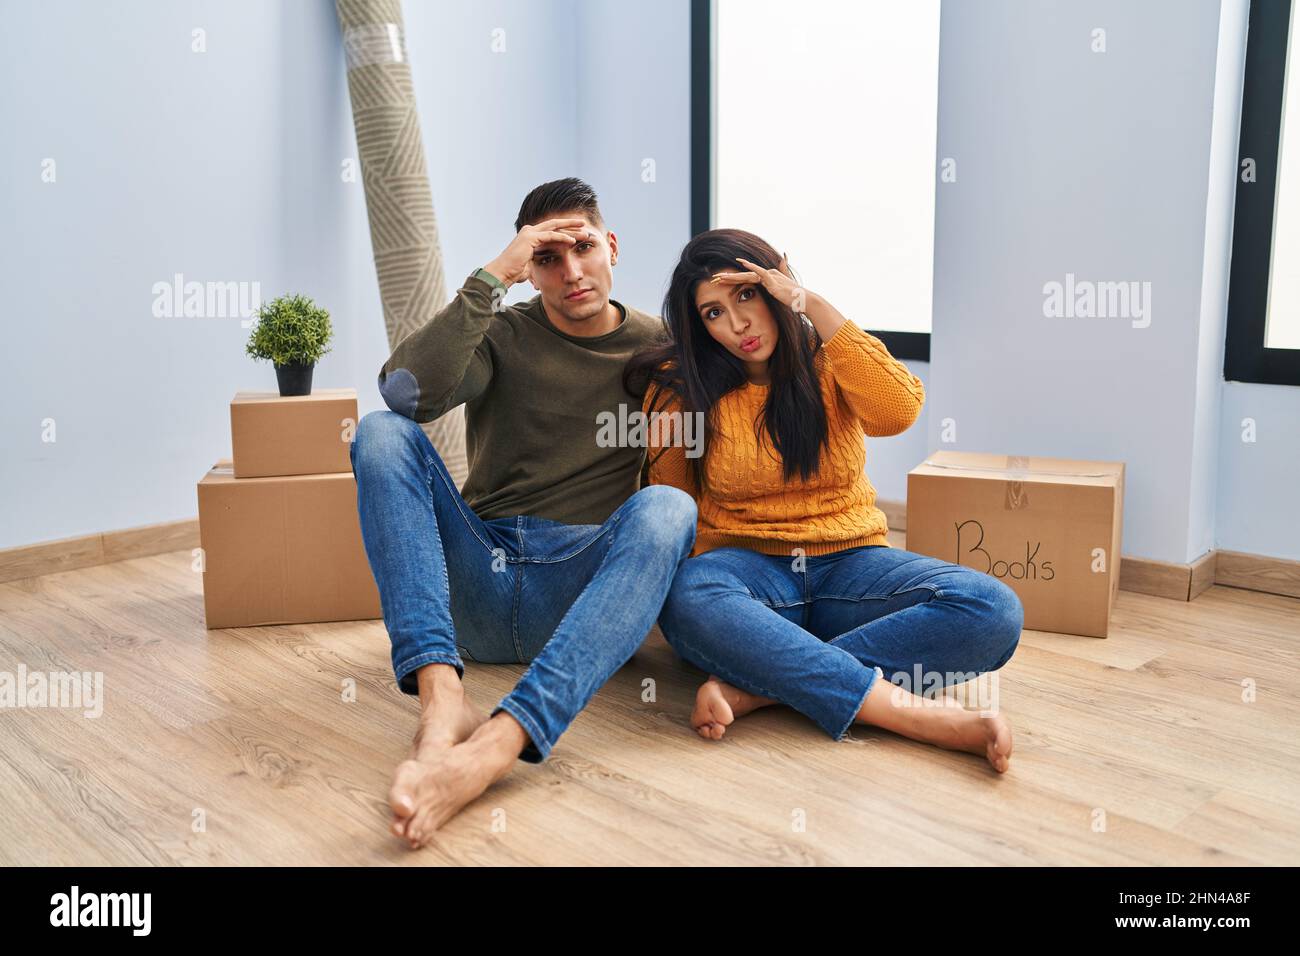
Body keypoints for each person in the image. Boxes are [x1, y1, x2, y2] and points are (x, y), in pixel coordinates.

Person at [350, 178, 697, 847]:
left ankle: (499, 745)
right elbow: (403, 393)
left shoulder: (661, 348)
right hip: (477, 581)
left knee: (669, 507)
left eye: (583, 248)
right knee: (379, 432)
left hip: (574, 592)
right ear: (527, 270)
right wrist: (489, 278)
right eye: (546, 258)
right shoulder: (500, 332)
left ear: (612, 247)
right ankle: (441, 700)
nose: (571, 272)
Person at [626, 228, 1022, 772]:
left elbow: (898, 411)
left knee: (992, 610)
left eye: (746, 295)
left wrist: (811, 304)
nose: (737, 323)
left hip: (852, 564)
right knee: (688, 596)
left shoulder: (829, 357)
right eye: (713, 313)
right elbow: (676, 512)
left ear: (776, 286)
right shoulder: (679, 390)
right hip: (748, 571)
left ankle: (763, 688)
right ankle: (913, 714)